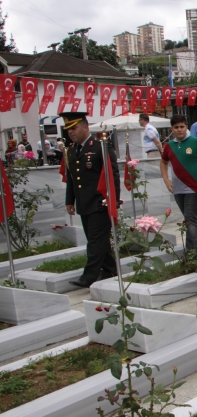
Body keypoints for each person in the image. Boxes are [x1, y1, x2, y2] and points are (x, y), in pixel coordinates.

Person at [63, 111, 120, 288]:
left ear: (85, 126)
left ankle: (89, 276)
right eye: (68, 129)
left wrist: (114, 200)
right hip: (84, 203)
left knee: (95, 241)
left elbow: (113, 174)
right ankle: (110, 269)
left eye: (74, 127)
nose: (71, 132)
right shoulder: (72, 150)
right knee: (97, 240)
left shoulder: (100, 147)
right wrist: (69, 200)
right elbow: (72, 178)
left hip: (100, 202)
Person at [160, 114, 197, 251]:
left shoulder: (196, 142)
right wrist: (166, 180)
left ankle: (190, 253)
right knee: (191, 219)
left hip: (194, 187)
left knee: (190, 220)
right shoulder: (169, 146)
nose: (179, 130)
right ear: (171, 129)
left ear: (186, 127)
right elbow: (163, 162)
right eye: (176, 127)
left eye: (182, 127)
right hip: (177, 189)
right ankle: (196, 252)